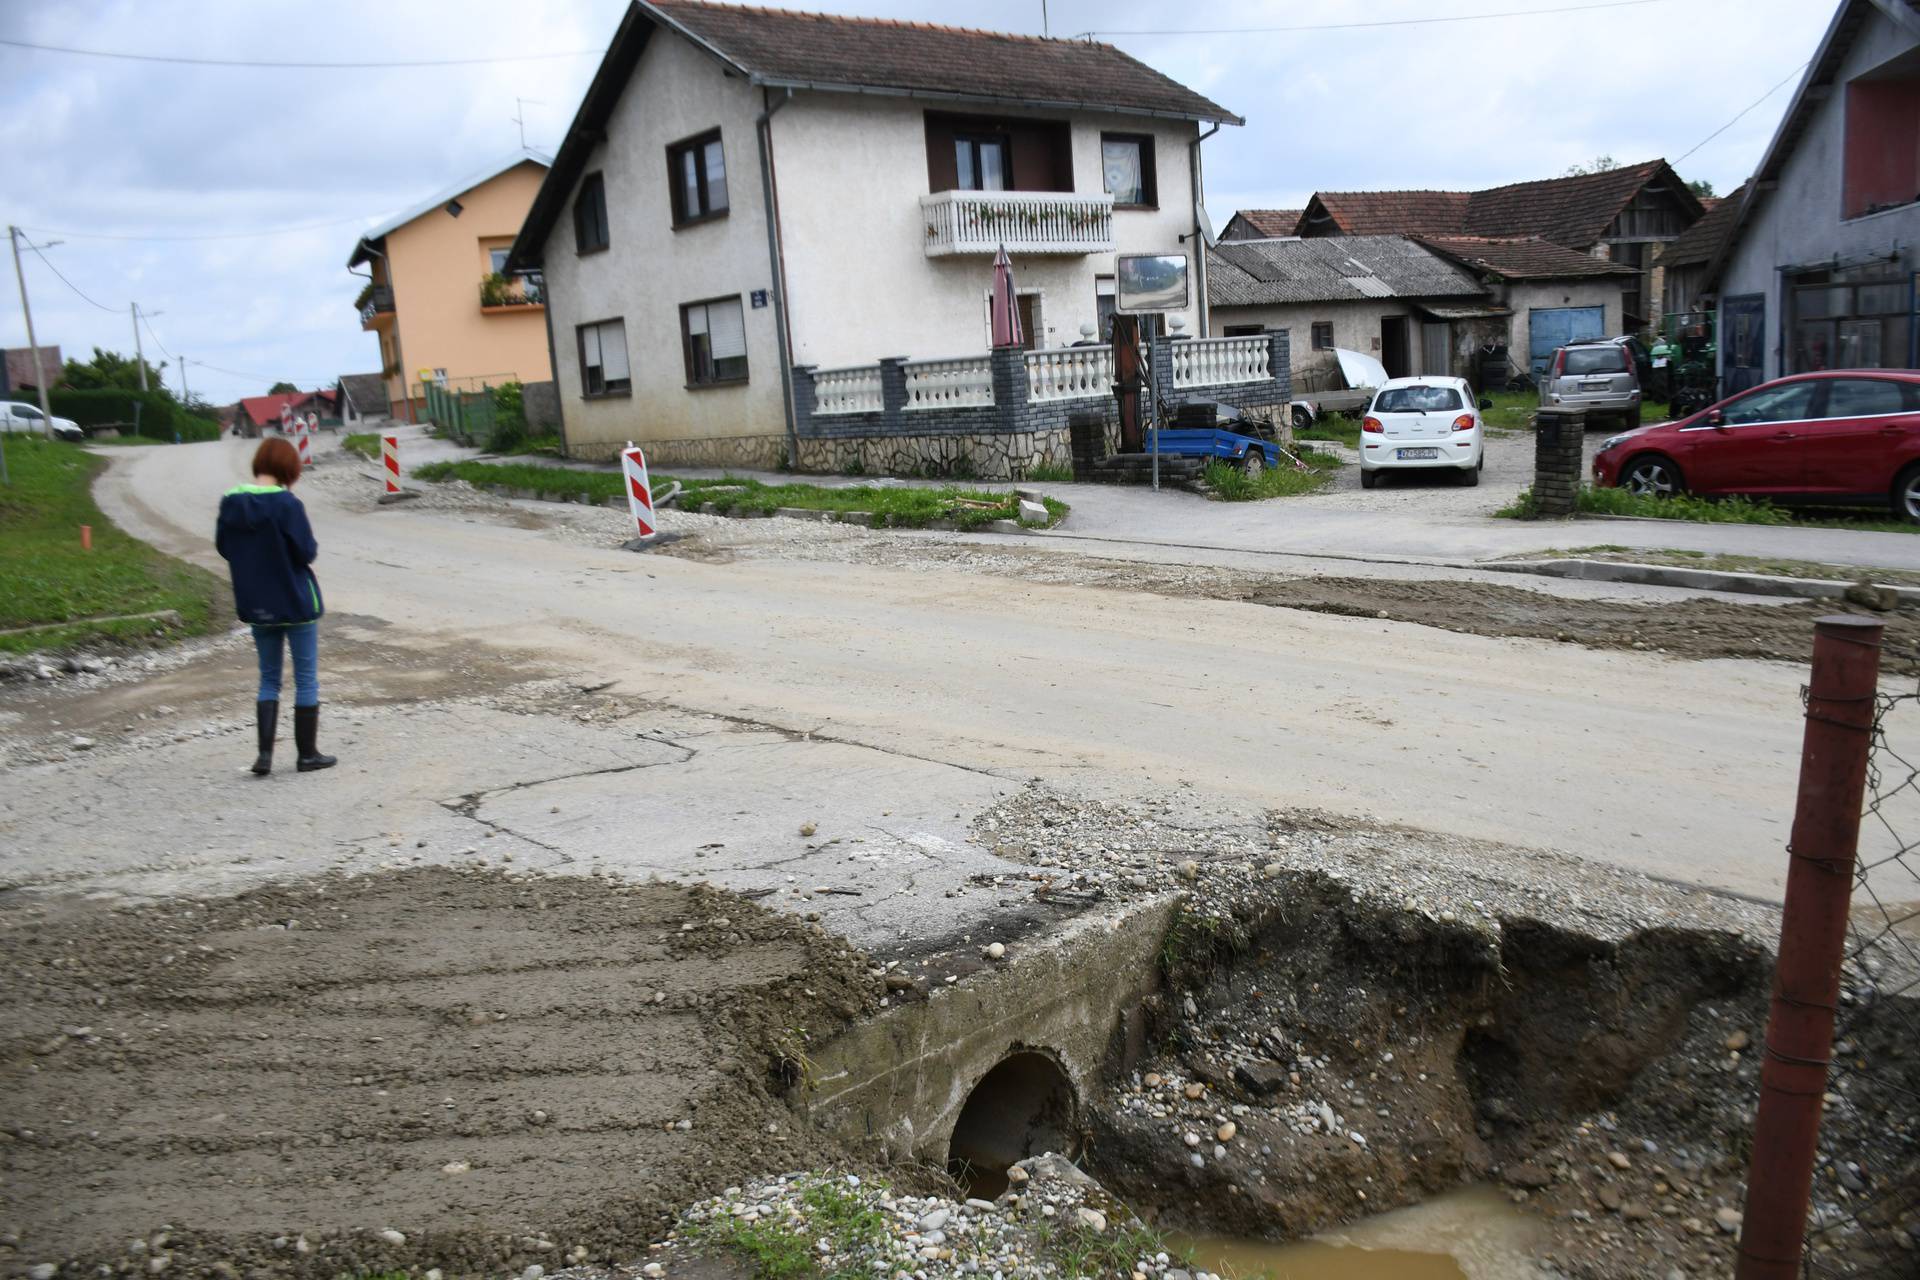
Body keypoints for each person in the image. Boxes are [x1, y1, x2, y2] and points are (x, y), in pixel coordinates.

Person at [215, 437, 336, 776]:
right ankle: (307, 755)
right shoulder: (287, 505)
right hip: (296, 602)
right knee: (306, 679)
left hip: (256, 605)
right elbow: (306, 552)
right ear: (288, 468)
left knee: (269, 678)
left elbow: (225, 548)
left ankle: (265, 756)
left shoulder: (230, 503)